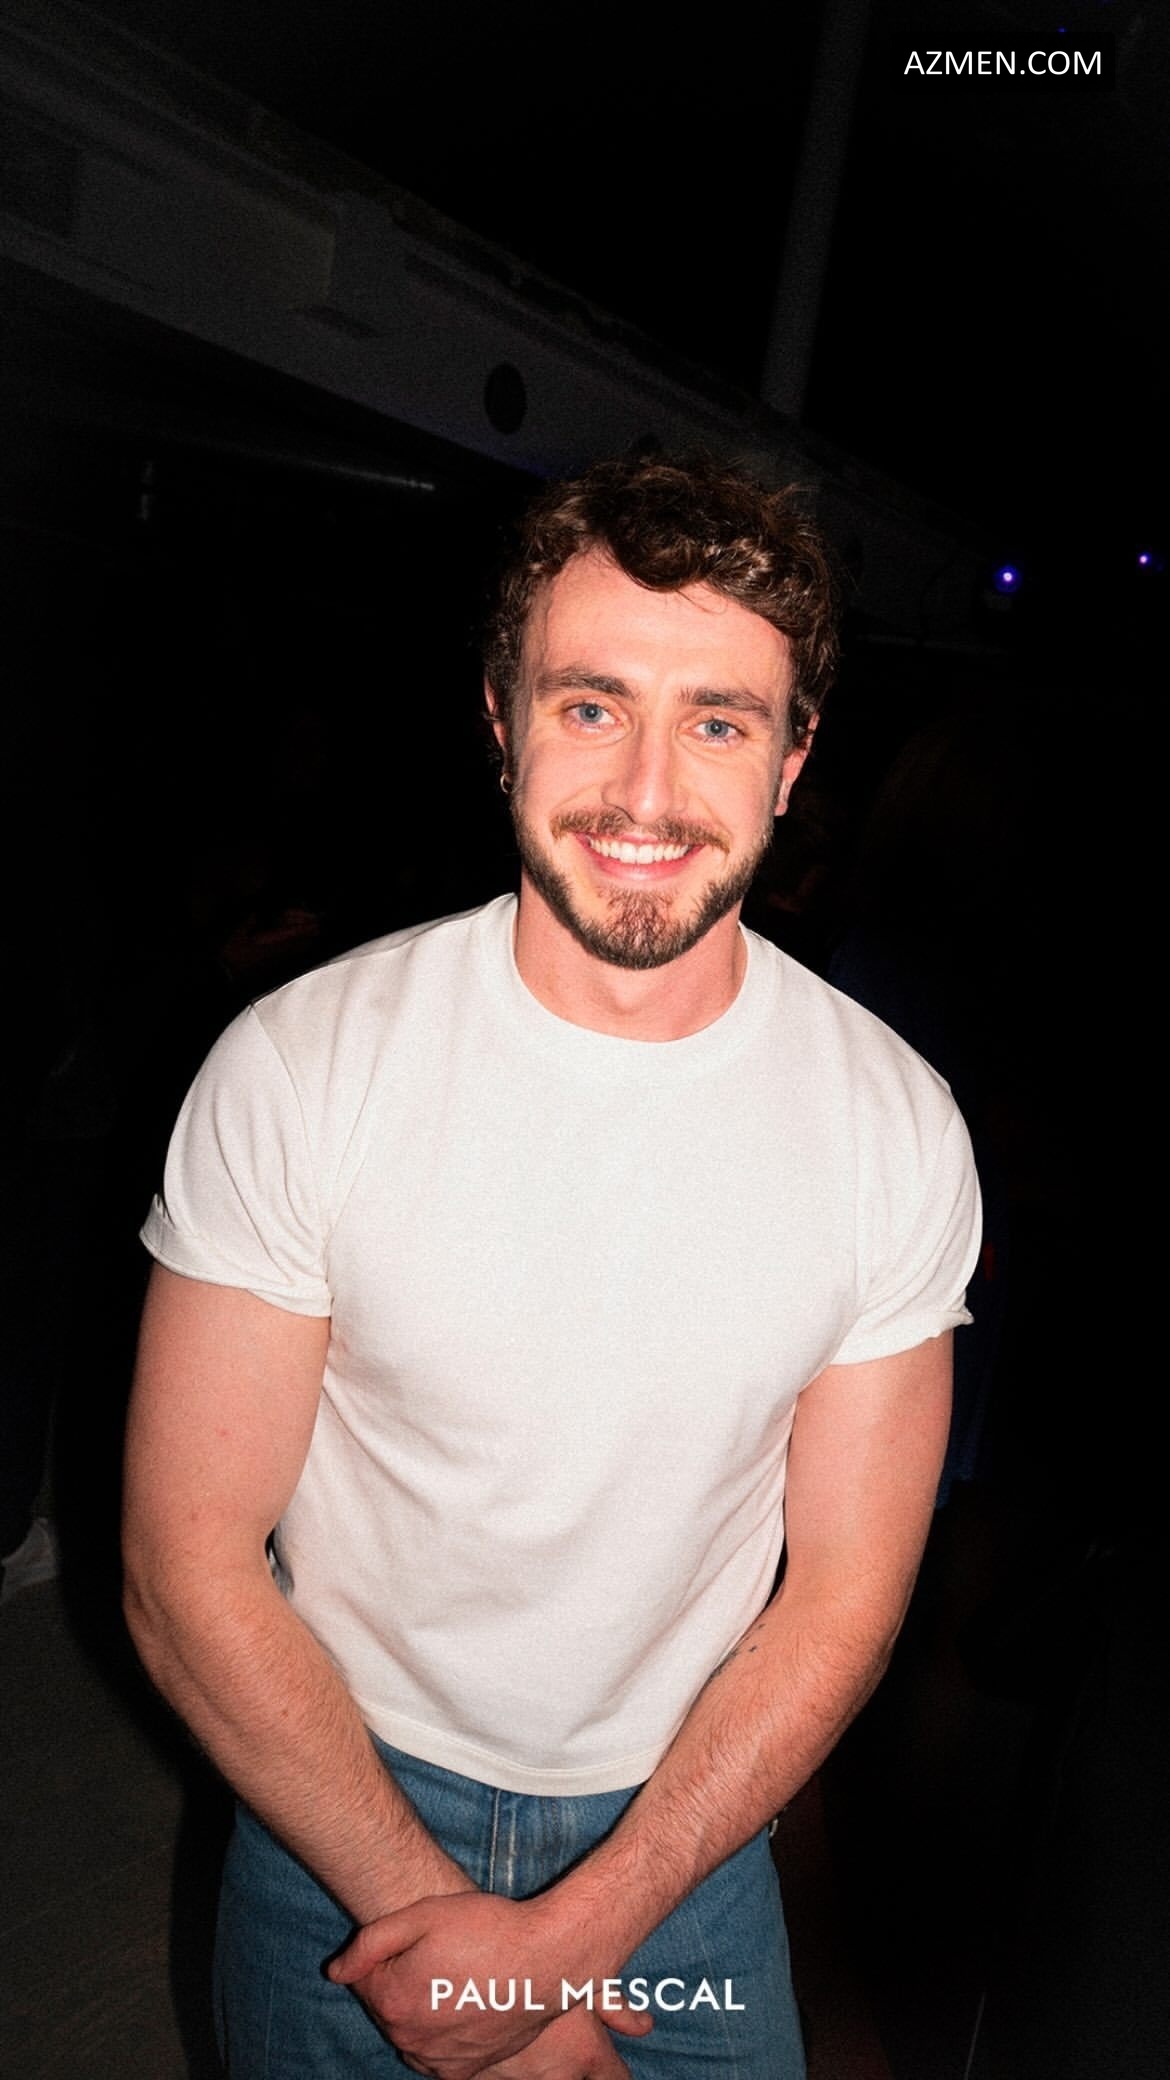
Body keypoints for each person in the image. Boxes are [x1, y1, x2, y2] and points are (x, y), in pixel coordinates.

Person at [122, 450, 981, 2080]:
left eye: (716, 722)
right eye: (592, 707)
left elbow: (845, 1599)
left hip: (687, 1840)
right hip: (334, 1805)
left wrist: (569, 1943)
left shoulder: (891, 1125)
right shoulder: (303, 1066)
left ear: (791, 761)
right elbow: (185, 1566)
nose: (645, 792)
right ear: (503, 720)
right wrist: (457, 1955)